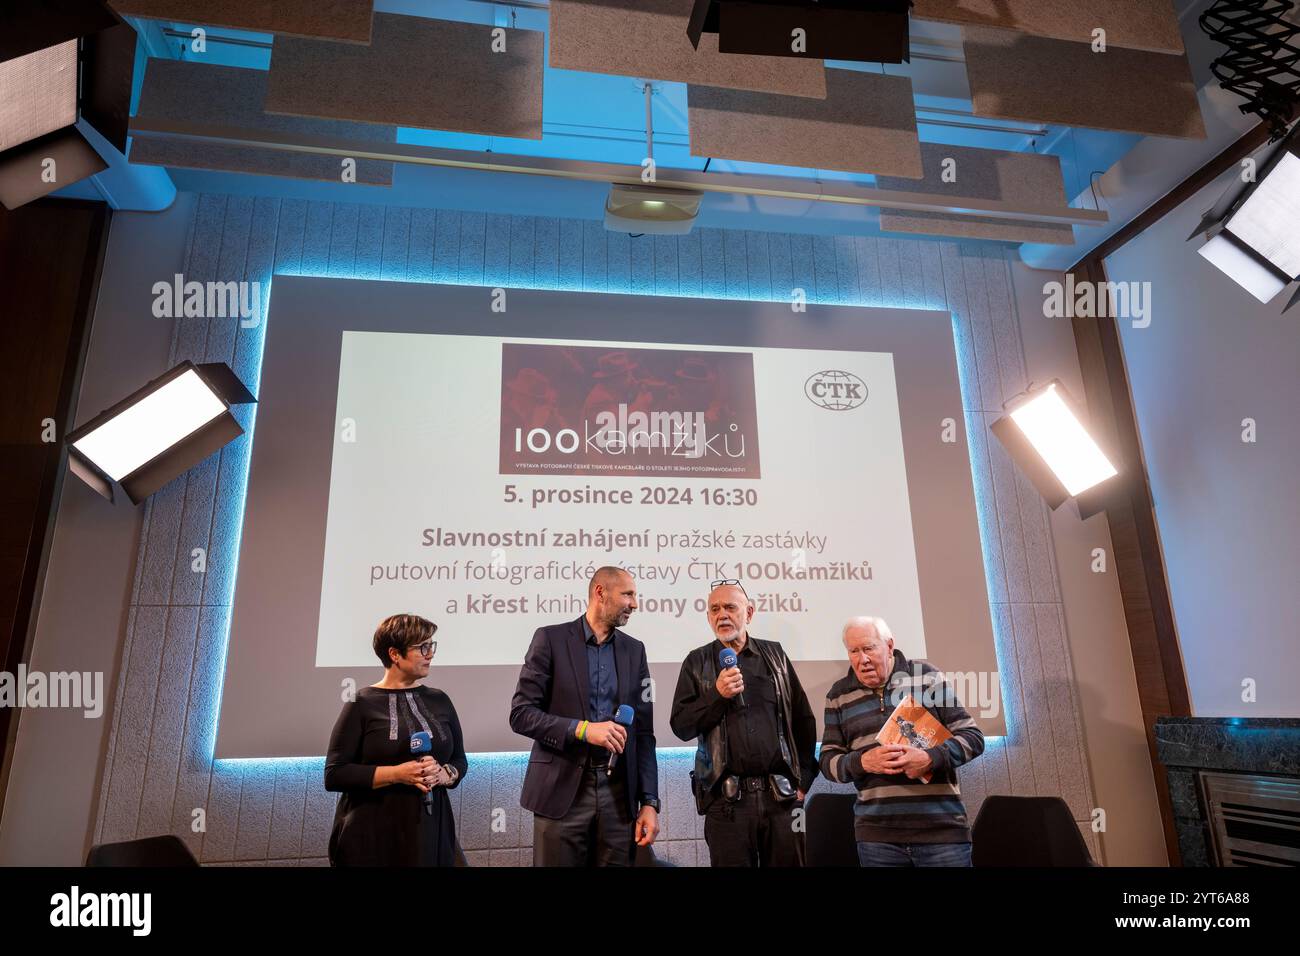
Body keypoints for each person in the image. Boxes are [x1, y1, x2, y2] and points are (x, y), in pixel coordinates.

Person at [510, 566, 660, 865]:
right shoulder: (550, 639)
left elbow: (643, 733)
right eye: (628, 594)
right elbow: (521, 714)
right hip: (561, 794)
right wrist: (582, 729)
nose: (635, 604)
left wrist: (650, 802)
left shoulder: (635, 650)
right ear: (600, 593)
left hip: (619, 797)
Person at [670, 580, 818, 866]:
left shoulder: (775, 656)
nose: (722, 615)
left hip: (783, 800)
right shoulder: (696, 662)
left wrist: (803, 782)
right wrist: (717, 695)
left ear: (749, 613)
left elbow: (803, 720)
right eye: (714, 609)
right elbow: (681, 725)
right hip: (727, 806)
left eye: (729, 607)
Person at [820, 616, 985, 867]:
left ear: (889, 645)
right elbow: (828, 761)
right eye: (853, 651)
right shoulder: (838, 695)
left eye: (868, 648)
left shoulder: (926, 676)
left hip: (942, 833)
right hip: (877, 840)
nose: (862, 659)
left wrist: (930, 758)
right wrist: (862, 762)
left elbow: (973, 738)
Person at [324, 613, 467, 866]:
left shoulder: (440, 699)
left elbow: (459, 759)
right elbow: (335, 774)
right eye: (422, 647)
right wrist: (398, 774)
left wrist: (445, 775)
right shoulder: (361, 703)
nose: (430, 653)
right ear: (394, 654)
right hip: (372, 833)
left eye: (431, 645)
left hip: (431, 829)